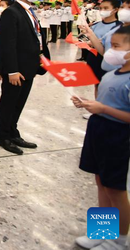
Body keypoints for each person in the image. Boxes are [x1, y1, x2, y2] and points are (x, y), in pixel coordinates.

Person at [72, 25, 130, 250]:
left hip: (119, 135)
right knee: (101, 182)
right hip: (99, 130)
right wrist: (89, 104)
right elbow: (105, 103)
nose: (110, 51)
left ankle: (120, 240)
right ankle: (103, 231)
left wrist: (103, 109)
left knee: (115, 188)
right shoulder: (112, 74)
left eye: (116, 46)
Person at [0, 0, 50, 155]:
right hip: (16, 69)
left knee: (19, 102)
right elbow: (8, 44)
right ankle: (3, 136)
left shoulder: (30, 11)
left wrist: (44, 59)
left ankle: (13, 132)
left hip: (29, 67)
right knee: (9, 102)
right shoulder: (11, 12)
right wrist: (12, 70)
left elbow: (36, 38)